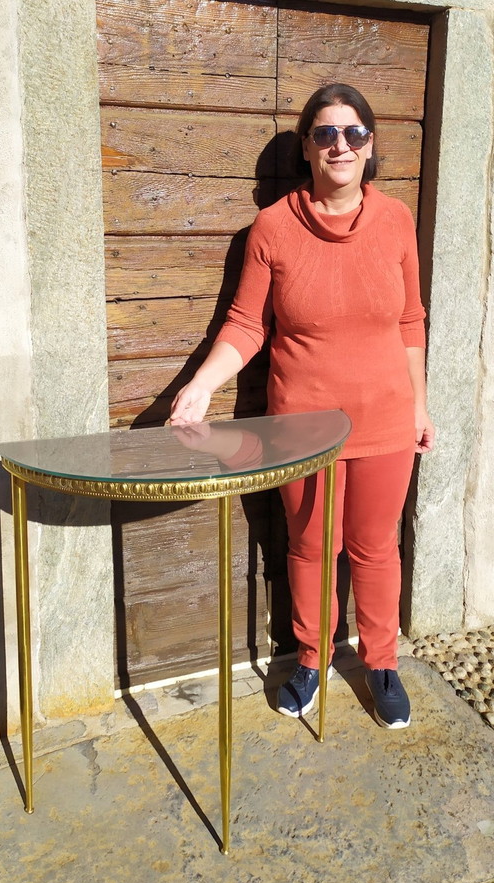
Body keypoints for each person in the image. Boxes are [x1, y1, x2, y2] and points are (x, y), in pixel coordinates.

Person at [170, 83, 435, 730]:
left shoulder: (397, 221)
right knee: (312, 545)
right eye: (325, 133)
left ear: (371, 146)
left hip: (386, 419)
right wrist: (201, 384)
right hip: (303, 427)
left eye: (353, 134)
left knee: (375, 546)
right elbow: (245, 325)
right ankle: (312, 658)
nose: (340, 145)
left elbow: (409, 321)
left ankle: (381, 662)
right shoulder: (274, 227)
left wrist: (421, 408)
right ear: (308, 148)